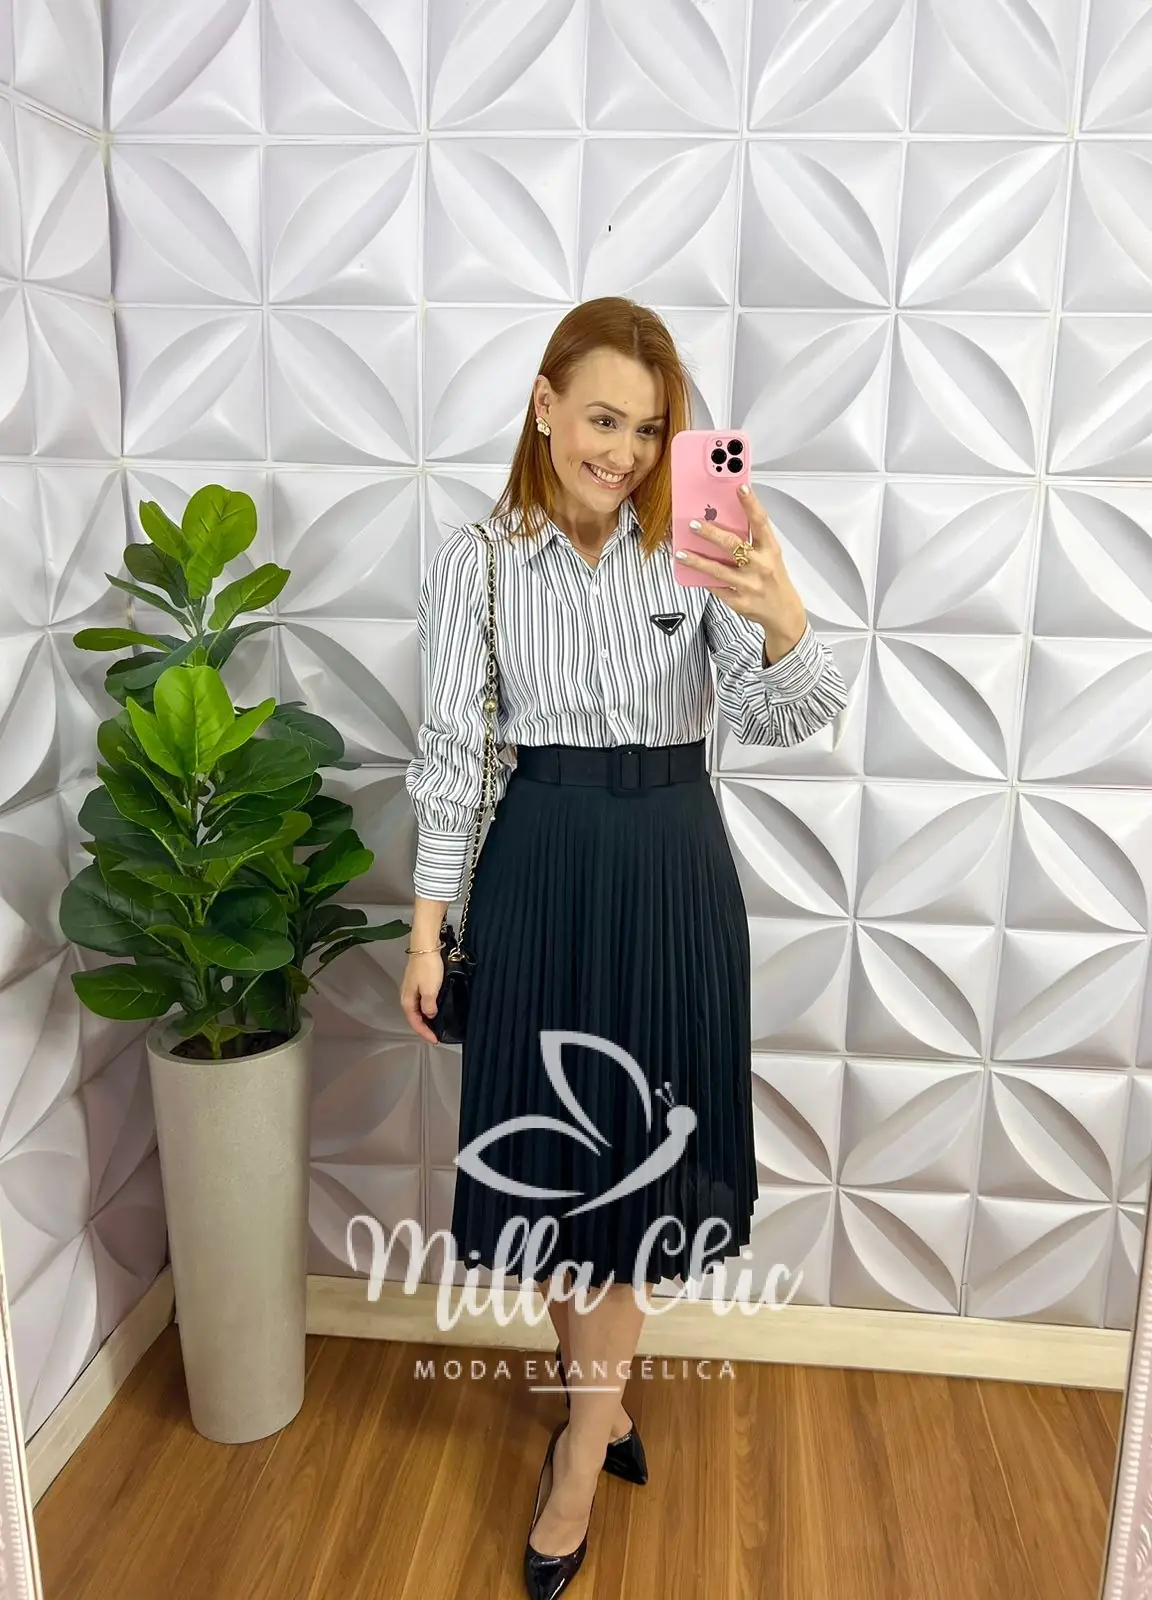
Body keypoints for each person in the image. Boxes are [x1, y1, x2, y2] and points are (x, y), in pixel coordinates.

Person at [401, 296, 849, 1598]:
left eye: (651, 430)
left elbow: (780, 716)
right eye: (604, 419)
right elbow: (452, 754)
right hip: (537, 865)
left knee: (640, 1176)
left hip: (669, 871)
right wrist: (427, 930)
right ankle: (601, 1407)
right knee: (555, 1171)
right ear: (544, 405)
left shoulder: (695, 544)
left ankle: (580, 1457)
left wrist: (782, 611)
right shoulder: (476, 561)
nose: (626, 452)